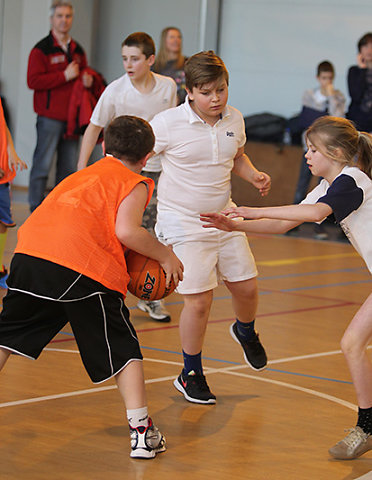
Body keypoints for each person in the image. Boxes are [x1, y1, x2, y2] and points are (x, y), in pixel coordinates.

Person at [0, 115, 184, 459]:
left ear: (104, 146)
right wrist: (165, 256)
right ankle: (142, 434)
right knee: (123, 348)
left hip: (29, 255)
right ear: (148, 157)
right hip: (81, 266)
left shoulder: (80, 175)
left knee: (5, 336)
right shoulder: (135, 181)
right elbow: (127, 231)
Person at [201, 116, 372, 460]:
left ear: (336, 151)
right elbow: (282, 223)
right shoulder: (328, 185)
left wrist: (248, 209)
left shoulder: (352, 181)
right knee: (352, 344)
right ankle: (367, 427)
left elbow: (314, 214)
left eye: (313, 149)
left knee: (352, 344)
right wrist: (237, 225)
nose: (306, 155)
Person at [149, 50, 271, 404]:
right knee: (199, 302)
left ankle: (244, 331)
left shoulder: (235, 118)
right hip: (182, 221)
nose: (215, 98)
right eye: (206, 92)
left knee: (246, 288)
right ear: (189, 91)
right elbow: (137, 159)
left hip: (225, 217)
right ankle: (190, 373)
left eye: (221, 89)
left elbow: (236, 156)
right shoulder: (167, 124)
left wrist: (253, 174)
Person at [77, 31, 177, 324]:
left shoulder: (167, 87)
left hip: (156, 169)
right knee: (116, 232)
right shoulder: (115, 91)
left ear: (150, 60)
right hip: (119, 172)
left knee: (152, 231)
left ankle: (151, 296)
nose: (128, 64)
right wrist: (82, 167)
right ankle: (104, 292)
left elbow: (172, 126)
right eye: (124, 59)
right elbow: (94, 127)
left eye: (134, 59)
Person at [27, 0, 93, 212]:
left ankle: (60, 212)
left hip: (72, 119)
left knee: (67, 169)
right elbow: (33, 81)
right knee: (42, 165)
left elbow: (84, 72)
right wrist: (63, 76)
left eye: (67, 16)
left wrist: (87, 79)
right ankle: (35, 210)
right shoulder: (41, 49)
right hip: (49, 117)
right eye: (59, 16)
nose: (64, 20)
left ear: (71, 19)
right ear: (51, 19)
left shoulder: (78, 50)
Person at [292, 61, 345, 239]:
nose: (326, 82)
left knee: (322, 187)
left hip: (327, 152)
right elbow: (309, 122)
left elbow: (338, 120)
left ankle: (318, 227)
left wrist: (331, 98)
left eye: (329, 78)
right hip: (310, 148)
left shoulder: (338, 96)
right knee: (302, 184)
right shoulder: (309, 95)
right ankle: (293, 222)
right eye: (323, 78)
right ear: (318, 78)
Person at [0, 99, 27, 288]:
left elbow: (4, 128)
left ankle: (0, 268)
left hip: (3, 177)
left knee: (3, 224)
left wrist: (11, 152)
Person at [153, 27, 187, 105]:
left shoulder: (188, 63)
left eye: (179, 37)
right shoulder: (155, 66)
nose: (176, 40)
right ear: (164, 41)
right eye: (172, 37)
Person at [347, 32, 372, 133]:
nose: (369, 50)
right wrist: (363, 69)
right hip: (358, 121)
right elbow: (356, 96)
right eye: (366, 46)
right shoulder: (354, 71)